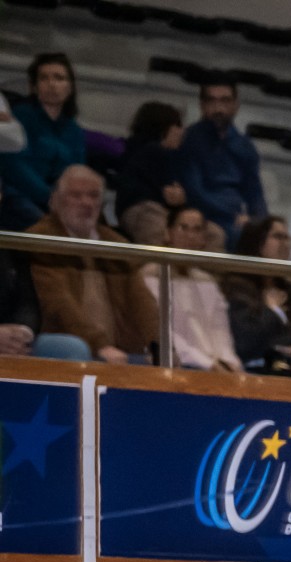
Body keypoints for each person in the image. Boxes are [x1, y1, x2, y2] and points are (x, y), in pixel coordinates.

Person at [26, 165, 158, 364]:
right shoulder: (42, 238)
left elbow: (143, 302)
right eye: (76, 195)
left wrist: (158, 346)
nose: (86, 203)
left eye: (94, 196)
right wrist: (99, 345)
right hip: (67, 344)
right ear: (56, 202)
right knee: (77, 350)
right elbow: (58, 303)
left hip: (120, 350)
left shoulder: (116, 244)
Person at [141, 205, 242, 372]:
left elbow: (221, 331)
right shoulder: (151, 276)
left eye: (197, 230)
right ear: (168, 233)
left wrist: (229, 362)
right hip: (182, 365)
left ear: (203, 238)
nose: (190, 236)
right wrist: (207, 364)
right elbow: (164, 333)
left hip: (217, 368)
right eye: (183, 228)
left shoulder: (207, 281)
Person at [223, 215, 291, 375]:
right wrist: (273, 311)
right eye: (278, 237)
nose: (286, 244)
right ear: (257, 241)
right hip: (256, 371)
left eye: (287, 238)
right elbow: (244, 342)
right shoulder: (235, 288)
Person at [178, 76, 267, 247]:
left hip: (235, 218)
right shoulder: (189, 140)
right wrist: (232, 214)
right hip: (203, 215)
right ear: (202, 105)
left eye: (225, 101)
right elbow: (194, 190)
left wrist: (257, 220)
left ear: (235, 104)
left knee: (268, 236)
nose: (218, 108)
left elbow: (255, 192)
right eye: (212, 101)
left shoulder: (245, 146)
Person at [0, 54, 87, 225]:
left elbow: (77, 171)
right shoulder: (19, 117)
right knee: (48, 229)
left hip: (58, 201)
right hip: (18, 197)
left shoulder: (74, 130)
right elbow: (14, 166)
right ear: (34, 86)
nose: (52, 84)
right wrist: (50, 196)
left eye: (59, 78)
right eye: (44, 78)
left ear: (70, 87)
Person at [0, 224, 93, 362]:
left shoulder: (11, 241)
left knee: (72, 349)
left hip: (13, 338)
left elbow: (28, 302)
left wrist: (23, 332)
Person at [114, 102, 188, 227]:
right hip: (147, 210)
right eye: (178, 125)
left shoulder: (131, 150)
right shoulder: (157, 153)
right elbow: (167, 192)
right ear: (165, 128)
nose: (182, 131)